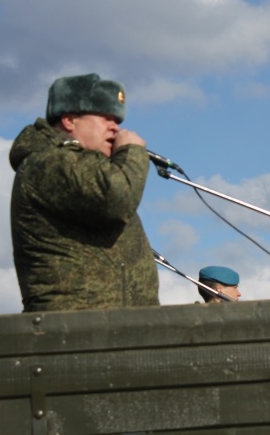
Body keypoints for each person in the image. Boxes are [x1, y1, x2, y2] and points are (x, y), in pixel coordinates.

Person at [9, 73, 160, 312]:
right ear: (70, 120)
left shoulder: (87, 169)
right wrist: (131, 152)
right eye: (105, 117)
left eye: (117, 120)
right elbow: (117, 200)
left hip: (117, 331)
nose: (115, 128)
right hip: (76, 331)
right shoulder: (49, 163)